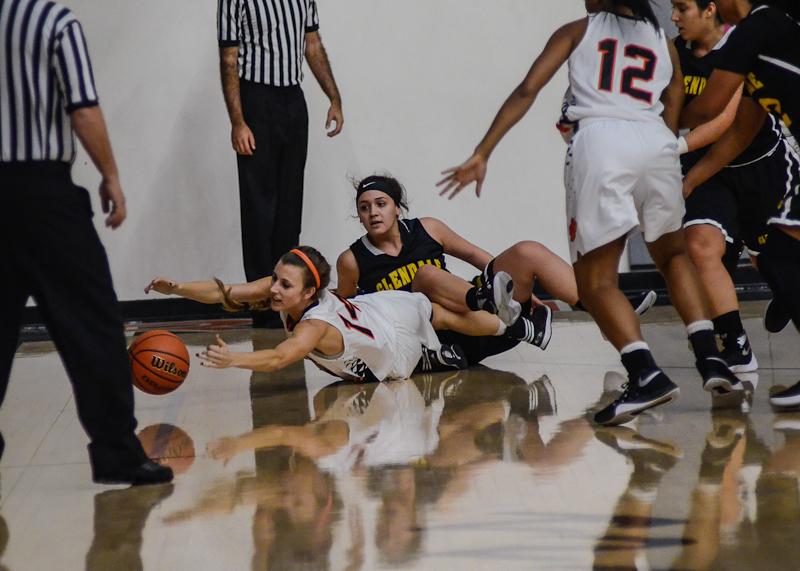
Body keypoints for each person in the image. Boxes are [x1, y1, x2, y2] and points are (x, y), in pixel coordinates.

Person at [438, 0, 743, 426]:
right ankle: (712, 358)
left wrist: (482, 152)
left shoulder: (577, 30)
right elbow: (673, 94)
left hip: (602, 143)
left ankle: (646, 375)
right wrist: (659, 139)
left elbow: (527, 90)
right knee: (674, 257)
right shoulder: (662, 38)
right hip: (655, 141)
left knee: (594, 281)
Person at [0, 0, 172, 484]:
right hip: (42, 195)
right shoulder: (53, 20)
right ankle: (116, 449)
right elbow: (82, 107)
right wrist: (111, 176)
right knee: (92, 322)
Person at [338, 174, 657, 366]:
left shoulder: (428, 229)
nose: (373, 213)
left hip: (482, 323)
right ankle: (497, 307)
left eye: (380, 203)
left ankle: (605, 313)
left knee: (527, 251)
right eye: (364, 208)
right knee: (426, 277)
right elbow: (350, 312)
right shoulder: (352, 260)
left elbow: (480, 257)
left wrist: (513, 285)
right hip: (438, 341)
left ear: (397, 207)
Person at [145, 246, 520, 381]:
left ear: (309, 292)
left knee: (443, 317)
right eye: (275, 279)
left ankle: (507, 322)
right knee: (440, 318)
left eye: (284, 285)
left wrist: (233, 360)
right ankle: (496, 325)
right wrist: (177, 288)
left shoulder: (313, 326)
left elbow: (280, 358)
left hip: (388, 328)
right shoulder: (283, 292)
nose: (274, 288)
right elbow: (224, 291)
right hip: (364, 320)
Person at [680, 0, 800, 407]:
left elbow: (714, 110)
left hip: (769, 168)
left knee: (779, 255)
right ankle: (742, 339)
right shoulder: (756, 37)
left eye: (682, 6)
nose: (675, 16)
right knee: (774, 254)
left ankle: (788, 291)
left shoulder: (756, 29)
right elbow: (740, 129)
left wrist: (656, 134)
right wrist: (690, 179)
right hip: (722, 172)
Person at [217, 0, 343, 328]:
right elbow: (229, 58)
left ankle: (288, 298)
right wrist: (238, 122)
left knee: (289, 206)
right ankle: (262, 304)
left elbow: (311, 43)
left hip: (292, 99)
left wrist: (334, 97)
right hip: (256, 98)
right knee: (259, 208)